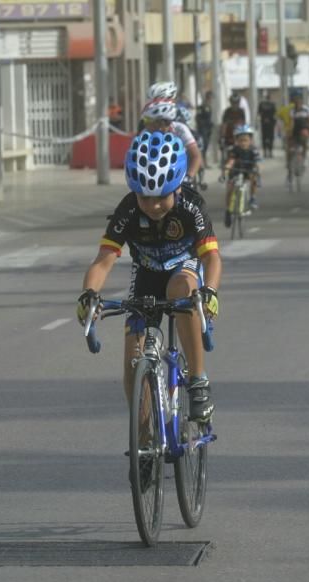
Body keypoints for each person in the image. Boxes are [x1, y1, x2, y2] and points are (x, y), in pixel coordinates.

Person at [75, 130, 222, 431]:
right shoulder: (128, 209)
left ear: (177, 187)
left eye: (161, 197)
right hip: (146, 276)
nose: (153, 206)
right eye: (145, 197)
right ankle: (143, 441)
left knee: (180, 287)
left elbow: (212, 258)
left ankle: (197, 382)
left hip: (185, 270)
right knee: (132, 360)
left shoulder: (191, 206)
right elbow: (103, 261)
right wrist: (89, 294)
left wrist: (210, 292)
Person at [140, 98, 203, 183]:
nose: (144, 124)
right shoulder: (145, 132)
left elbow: (196, 156)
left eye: (147, 120)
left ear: (161, 123)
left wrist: (189, 177)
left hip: (181, 171)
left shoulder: (180, 129)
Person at [221, 124, 262, 227]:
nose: (243, 143)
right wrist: (226, 170)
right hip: (236, 171)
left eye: (245, 140)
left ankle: (252, 198)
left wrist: (257, 173)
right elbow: (231, 161)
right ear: (237, 141)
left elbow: (257, 164)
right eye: (240, 140)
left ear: (250, 140)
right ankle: (228, 211)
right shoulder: (234, 150)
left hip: (248, 171)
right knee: (230, 188)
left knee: (254, 179)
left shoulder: (254, 150)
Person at [279, 89, 309, 180]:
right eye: (295, 100)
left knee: (304, 142)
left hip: (304, 130)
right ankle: (289, 167)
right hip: (295, 131)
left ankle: (304, 158)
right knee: (289, 148)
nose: (297, 101)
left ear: (301, 100)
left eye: (299, 99)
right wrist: (289, 133)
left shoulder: (306, 109)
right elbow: (292, 123)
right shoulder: (292, 111)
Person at [195, 91, 214, 162]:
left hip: (208, 128)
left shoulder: (209, 106)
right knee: (204, 145)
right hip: (203, 129)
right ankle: (202, 161)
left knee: (207, 145)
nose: (210, 99)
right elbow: (198, 117)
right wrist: (202, 125)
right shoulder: (201, 106)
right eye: (209, 98)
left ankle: (204, 160)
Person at [257, 91, 277, 158]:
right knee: (267, 138)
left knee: (267, 138)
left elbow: (259, 114)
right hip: (267, 123)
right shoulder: (265, 104)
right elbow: (259, 113)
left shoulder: (265, 104)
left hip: (267, 123)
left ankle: (268, 152)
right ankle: (267, 152)